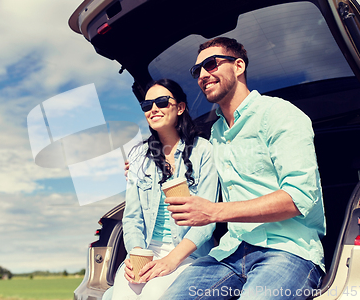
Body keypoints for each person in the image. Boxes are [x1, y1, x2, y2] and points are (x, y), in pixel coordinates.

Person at [159, 37, 326, 299]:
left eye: (211, 64)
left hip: (287, 250)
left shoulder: (280, 114)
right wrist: (147, 160)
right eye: (197, 71)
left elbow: (299, 198)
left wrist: (214, 212)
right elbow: (188, 162)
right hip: (229, 251)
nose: (203, 75)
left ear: (238, 66)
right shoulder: (215, 133)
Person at [106, 78, 219, 300]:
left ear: (180, 107)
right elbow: (132, 218)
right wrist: (136, 255)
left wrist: (171, 260)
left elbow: (207, 221)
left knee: (154, 294)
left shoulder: (204, 151)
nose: (153, 109)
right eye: (147, 106)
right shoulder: (138, 156)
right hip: (146, 252)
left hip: (188, 255)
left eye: (161, 102)